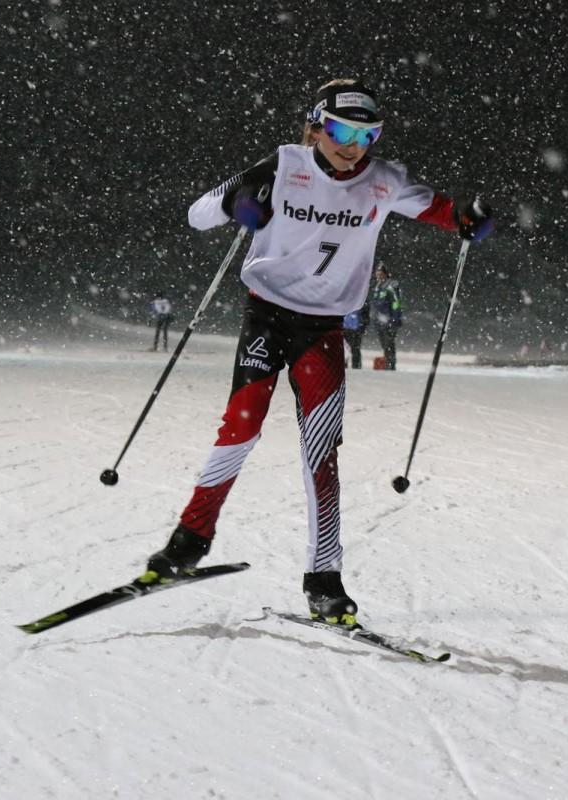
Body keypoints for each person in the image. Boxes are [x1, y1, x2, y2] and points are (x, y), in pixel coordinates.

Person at [143, 78, 496, 624]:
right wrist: (240, 202)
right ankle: (188, 542)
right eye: (340, 131)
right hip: (266, 316)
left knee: (321, 452)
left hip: (324, 330)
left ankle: (324, 579)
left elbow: (444, 211)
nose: (353, 146)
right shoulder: (283, 164)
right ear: (315, 127)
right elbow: (198, 212)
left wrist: (468, 219)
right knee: (240, 427)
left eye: (366, 135)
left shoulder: (384, 180)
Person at [370, 265, 401, 369]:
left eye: (380, 273)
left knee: (389, 344)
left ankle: (391, 365)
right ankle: (388, 363)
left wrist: (395, 319)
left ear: (385, 274)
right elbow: (375, 304)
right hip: (380, 321)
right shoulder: (377, 286)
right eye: (377, 273)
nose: (378, 276)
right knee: (384, 344)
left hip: (389, 320)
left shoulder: (391, 285)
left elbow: (396, 303)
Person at [342, 302, 369, 369]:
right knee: (345, 349)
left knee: (355, 349)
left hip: (355, 328)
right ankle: (346, 366)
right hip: (346, 327)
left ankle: (356, 366)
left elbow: (366, 314)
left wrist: (363, 326)